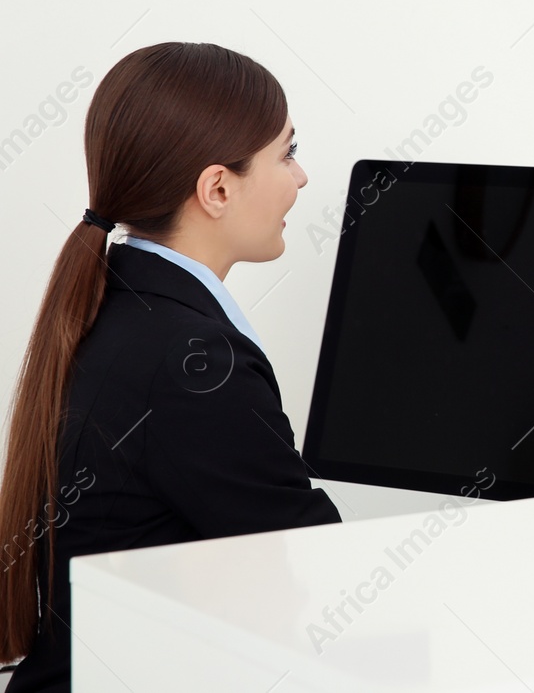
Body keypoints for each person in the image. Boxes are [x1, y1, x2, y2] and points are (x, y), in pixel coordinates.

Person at [0, 42, 341, 691]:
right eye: (287, 152)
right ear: (217, 188)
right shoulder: (194, 364)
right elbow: (311, 562)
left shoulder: (119, 304)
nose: (300, 178)